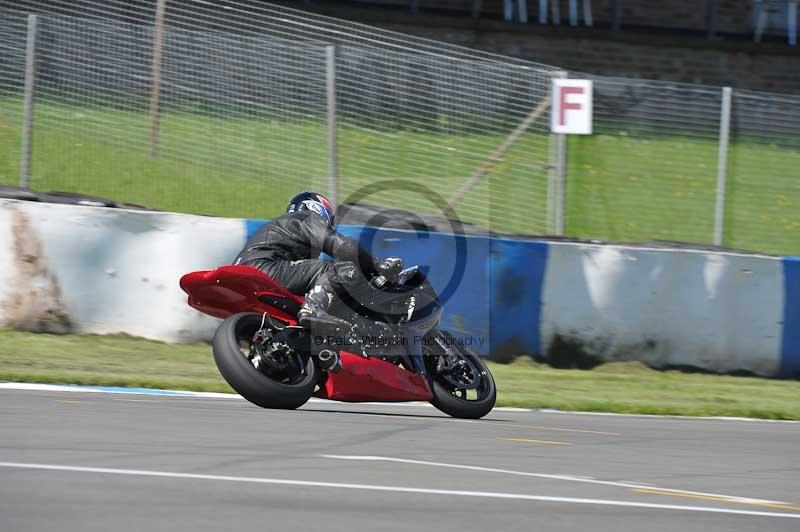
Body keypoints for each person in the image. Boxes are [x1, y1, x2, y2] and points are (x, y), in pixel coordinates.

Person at [233, 191, 401, 332]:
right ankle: (312, 309)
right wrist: (378, 265)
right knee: (340, 268)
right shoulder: (306, 218)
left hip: (247, 275)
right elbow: (344, 247)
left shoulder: (283, 228)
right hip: (264, 269)